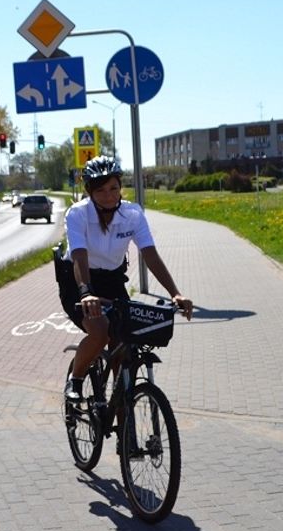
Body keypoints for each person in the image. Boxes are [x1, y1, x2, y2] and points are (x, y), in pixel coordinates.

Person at [62, 156, 193, 402]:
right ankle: (76, 379)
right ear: (89, 192)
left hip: (112, 281)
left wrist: (175, 292)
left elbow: (150, 254)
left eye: (113, 188)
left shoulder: (132, 214)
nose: (109, 195)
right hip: (79, 281)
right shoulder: (77, 214)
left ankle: (125, 429)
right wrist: (85, 292)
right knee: (101, 333)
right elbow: (79, 254)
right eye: (100, 190)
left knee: (124, 346)